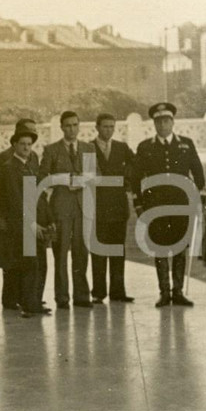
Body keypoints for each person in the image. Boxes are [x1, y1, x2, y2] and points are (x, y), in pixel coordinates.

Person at [133, 102, 206, 307]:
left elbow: (198, 174)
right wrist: (139, 205)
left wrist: (199, 200)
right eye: (159, 121)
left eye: (166, 120)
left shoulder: (186, 144)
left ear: (172, 122)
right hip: (155, 207)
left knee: (180, 247)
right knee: (160, 248)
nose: (163, 125)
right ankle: (164, 292)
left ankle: (178, 291)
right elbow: (135, 177)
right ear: (154, 124)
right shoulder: (145, 147)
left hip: (181, 205)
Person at [0, 127, 53, 318]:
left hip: (32, 221)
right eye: (23, 144)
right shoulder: (10, 167)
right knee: (29, 264)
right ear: (14, 145)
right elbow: (15, 200)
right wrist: (32, 224)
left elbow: (38, 196)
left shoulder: (28, 165)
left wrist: (47, 219)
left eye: (29, 144)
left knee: (36, 264)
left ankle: (33, 302)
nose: (27, 147)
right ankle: (29, 304)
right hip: (20, 225)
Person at [38, 110, 94, 308]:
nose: (72, 129)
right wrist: (64, 180)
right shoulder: (51, 150)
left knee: (81, 253)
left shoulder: (89, 148)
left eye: (75, 125)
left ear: (79, 126)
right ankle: (62, 298)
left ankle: (81, 296)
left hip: (82, 208)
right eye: (68, 125)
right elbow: (42, 177)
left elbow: (96, 175)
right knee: (60, 254)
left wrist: (85, 180)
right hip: (61, 207)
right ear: (61, 127)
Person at [89, 113, 136, 303]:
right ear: (97, 127)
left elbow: (135, 165)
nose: (108, 130)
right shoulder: (88, 148)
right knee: (98, 251)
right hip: (97, 207)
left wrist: (126, 181)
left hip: (117, 207)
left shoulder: (122, 147)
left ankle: (118, 292)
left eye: (111, 127)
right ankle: (98, 293)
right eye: (105, 126)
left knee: (117, 250)